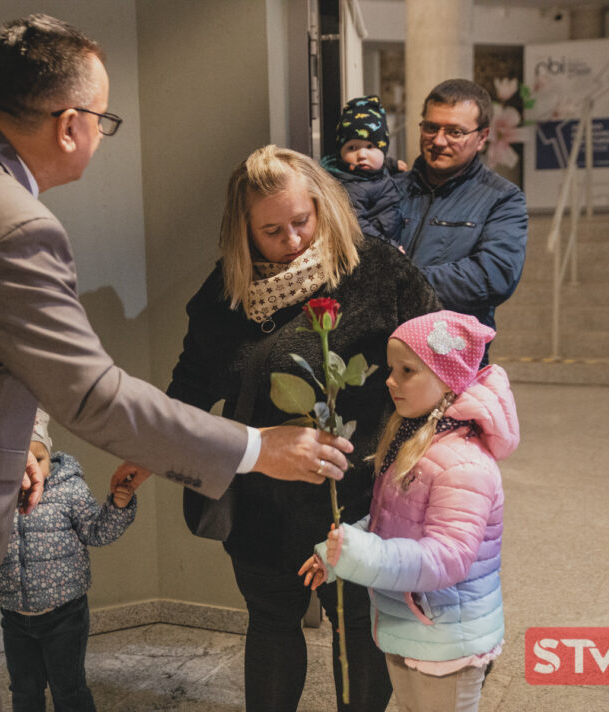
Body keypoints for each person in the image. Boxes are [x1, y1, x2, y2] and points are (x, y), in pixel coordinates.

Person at [0, 15, 354, 710]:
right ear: (71, 123)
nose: (101, 139)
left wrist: (21, 439)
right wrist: (257, 447)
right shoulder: (16, 226)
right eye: (105, 123)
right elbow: (95, 397)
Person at [166, 145, 441, 711]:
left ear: (322, 206)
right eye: (272, 231)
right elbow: (185, 397)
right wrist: (148, 449)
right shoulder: (225, 296)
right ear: (243, 232)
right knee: (270, 621)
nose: (293, 241)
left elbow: (444, 360)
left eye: (301, 221)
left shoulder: (375, 270)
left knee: (358, 632)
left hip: (363, 507)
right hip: (263, 509)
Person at [299, 310, 519, 712]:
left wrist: (358, 555)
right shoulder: (415, 441)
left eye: (407, 370)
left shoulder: (462, 464)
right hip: (412, 625)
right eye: (390, 368)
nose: (390, 380)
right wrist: (336, 553)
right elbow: (390, 526)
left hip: (447, 638)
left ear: (447, 378)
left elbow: (448, 558)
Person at [0, 410, 142, 712]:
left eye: (39, 459)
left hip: (64, 615)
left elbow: (96, 532)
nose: (31, 469)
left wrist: (118, 505)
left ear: (50, 456)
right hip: (15, 616)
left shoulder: (69, 488)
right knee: (24, 690)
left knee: (69, 690)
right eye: (20, 461)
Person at [394, 79, 528, 360]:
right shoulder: (391, 190)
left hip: (453, 367)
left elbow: (493, 277)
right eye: (431, 127)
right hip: (385, 361)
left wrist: (401, 279)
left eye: (455, 132)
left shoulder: (502, 199)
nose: (439, 141)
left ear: (482, 137)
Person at [320, 95, 407, 245]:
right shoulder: (349, 186)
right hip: (376, 249)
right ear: (340, 153)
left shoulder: (374, 169)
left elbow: (380, 162)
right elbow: (357, 226)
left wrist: (392, 165)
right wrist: (389, 248)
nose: (361, 155)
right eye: (352, 148)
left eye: (370, 147)